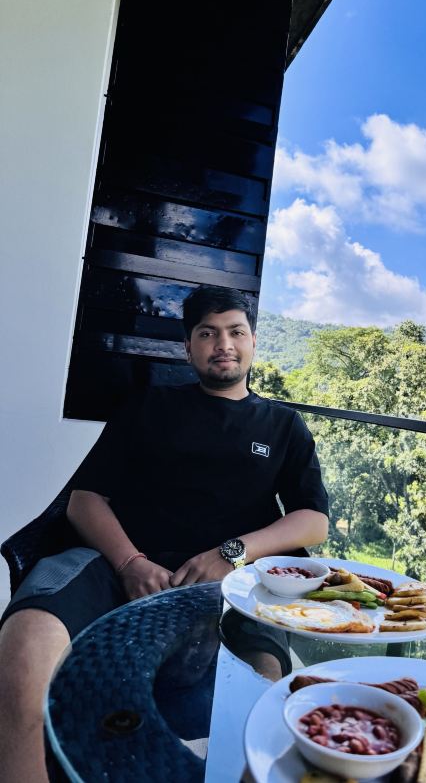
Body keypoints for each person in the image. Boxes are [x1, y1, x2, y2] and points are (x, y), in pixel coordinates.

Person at [0, 285, 329, 783]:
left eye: (236, 332)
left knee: (263, 693)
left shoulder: (283, 425)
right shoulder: (148, 406)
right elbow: (85, 500)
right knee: (23, 645)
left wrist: (232, 553)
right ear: (188, 347)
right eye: (208, 333)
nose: (224, 344)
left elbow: (313, 520)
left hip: (234, 585)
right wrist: (129, 562)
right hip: (115, 565)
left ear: (253, 342)